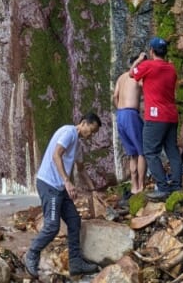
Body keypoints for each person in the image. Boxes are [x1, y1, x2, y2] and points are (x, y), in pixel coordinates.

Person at [24, 112, 102, 278]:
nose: (90, 135)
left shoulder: (78, 145)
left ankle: (75, 262)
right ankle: (31, 254)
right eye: (91, 130)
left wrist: (94, 190)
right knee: (52, 226)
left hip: (59, 187)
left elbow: (81, 169)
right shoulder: (69, 132)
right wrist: (67, 181)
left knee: (74, 220)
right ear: (83, 123)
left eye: (94, 133)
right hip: (49, 185)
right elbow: (56, 154)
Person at [130, 37, 182, 198]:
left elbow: (132, 74)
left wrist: (139, 59)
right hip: (172, 115)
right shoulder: (172, 69)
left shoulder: (148, 66)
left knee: (150, 152)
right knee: (172, 150)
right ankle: (177, 185)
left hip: (155, 116)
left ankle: (162, 187)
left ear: (152, 51)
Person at [113, 57, 146, 194]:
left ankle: (133, 186)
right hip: (131, 114)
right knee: (142, 152)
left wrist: (121, 108)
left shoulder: (121, 78)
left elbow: (115, 96)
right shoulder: (138, 77)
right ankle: (141, 186)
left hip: (119, 115)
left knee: (132, 155)